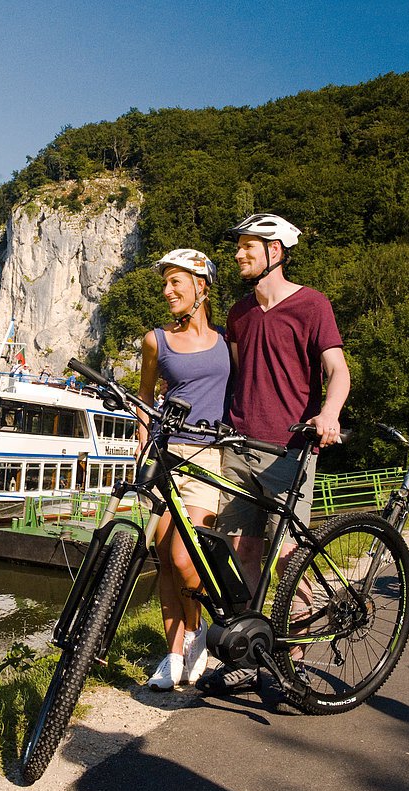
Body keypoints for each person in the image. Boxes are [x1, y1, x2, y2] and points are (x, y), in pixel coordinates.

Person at [197, 213, 351, 695]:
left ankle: (292, 661)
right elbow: (239, 376)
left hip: (290, 450)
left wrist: (328, 415)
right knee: (240, 551)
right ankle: (251, 650)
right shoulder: (239, 313)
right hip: (240, 446)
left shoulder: (312, 305)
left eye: (249, 246)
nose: (239, 254)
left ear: (276, 252)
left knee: (287, 556)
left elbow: (337, 371)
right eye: (239, 246)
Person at [137, 248, 232, 691]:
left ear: (201, 286)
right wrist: (143, 451)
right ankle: (172, 655)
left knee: (187, 559)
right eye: (165, 283)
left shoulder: (228, 343)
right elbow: (143, 402)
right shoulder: (155, 340)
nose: (167, 290)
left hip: (207, 459)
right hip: (166, 455)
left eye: (177, 282)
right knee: (165, 564)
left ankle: (196, 638)